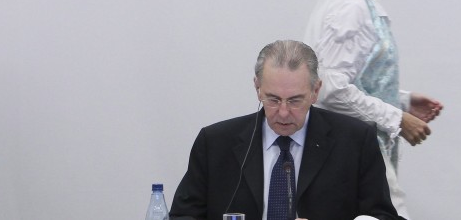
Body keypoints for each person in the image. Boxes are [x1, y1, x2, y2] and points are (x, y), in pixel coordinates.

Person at [303, 0, 443, 218]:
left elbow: (351, 81)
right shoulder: (350, 8)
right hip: (354, 165)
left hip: (353, 159)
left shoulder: (349, 2)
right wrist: (397, 118)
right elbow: (332, 90)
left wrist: (402, 100)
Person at [169, 40, 402, 220]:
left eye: (295, 101)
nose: (282, 112)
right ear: (257, 88)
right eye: (272, 99)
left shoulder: (355, 141)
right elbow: (183, 215)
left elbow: (383, 215)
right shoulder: (215, 143)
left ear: (315, 91)